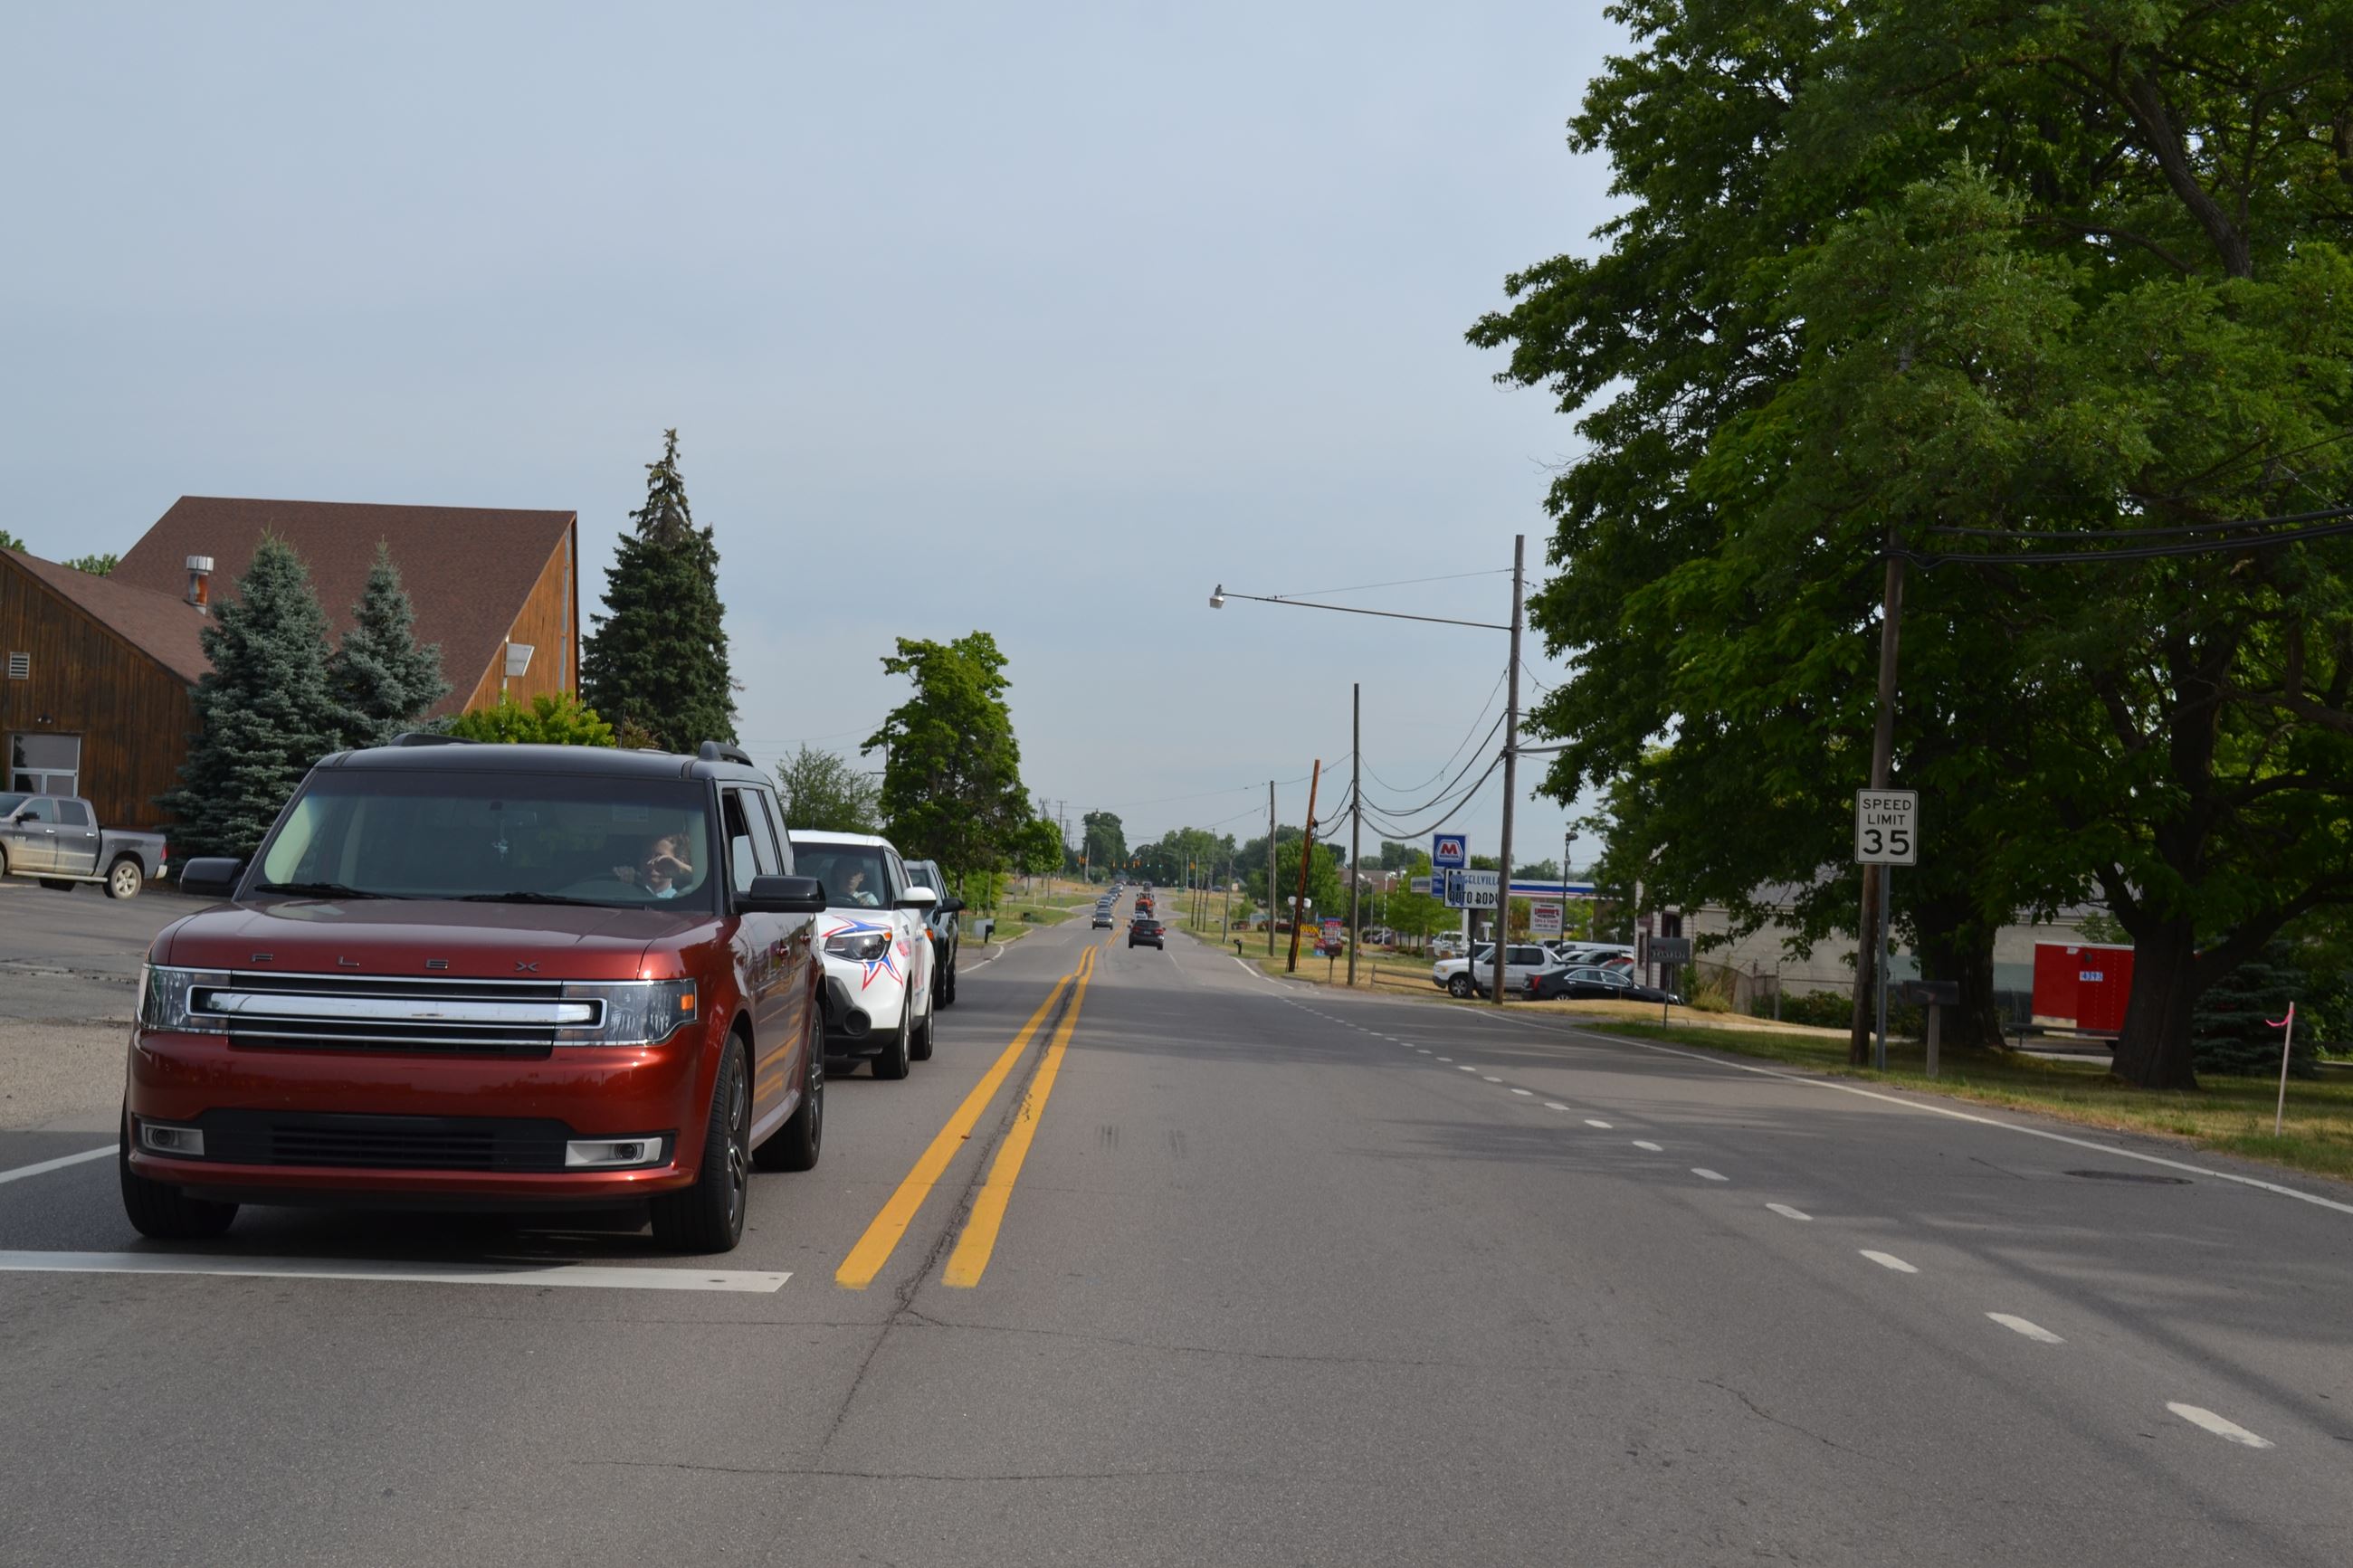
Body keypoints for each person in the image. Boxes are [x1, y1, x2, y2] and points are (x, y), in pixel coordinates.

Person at [614, 833, 697, 899]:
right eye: (646, 856)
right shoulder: (627, 889)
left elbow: (706, 881)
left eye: (659, 857)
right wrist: (624, 886)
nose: (649, 863)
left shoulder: (686, 896)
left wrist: (682, 870)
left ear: (677, 862)